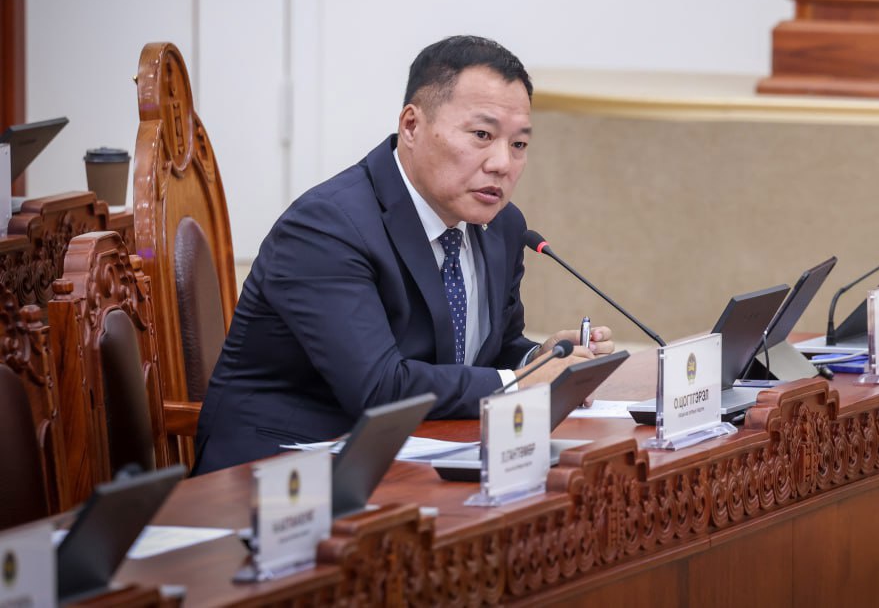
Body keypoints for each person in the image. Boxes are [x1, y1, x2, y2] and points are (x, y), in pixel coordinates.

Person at [192, 36, 613, 474]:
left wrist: (540, 360)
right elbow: (379, 387)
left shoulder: (502, 227)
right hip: (283, 473)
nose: (502, 164)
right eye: (482, 135)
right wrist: (519, 383)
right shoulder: (326, 227)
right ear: (411, 126)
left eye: (519, 145)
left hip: (415, 459)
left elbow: (487, 354)